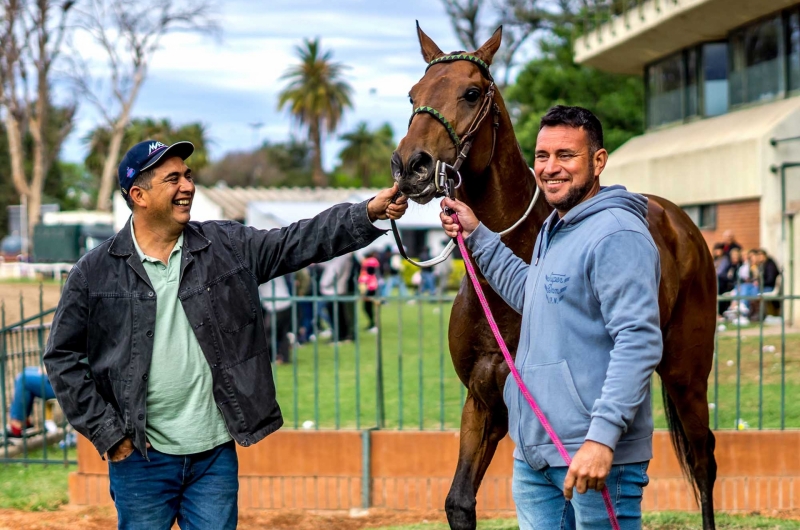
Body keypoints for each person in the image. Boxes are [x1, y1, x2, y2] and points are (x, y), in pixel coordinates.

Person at [42, 139, 407, 530]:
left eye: (188, 175)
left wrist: (367, 213)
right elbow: (62, 357)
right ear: (139, 195)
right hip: (140, 460)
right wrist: (109, 435)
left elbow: (296, 241)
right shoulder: (93, 272)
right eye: (173, 179)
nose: (188, 186)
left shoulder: (227, 246)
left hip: (213, 456)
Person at [440, 106, 661, 529]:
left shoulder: (618, 234)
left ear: (598, 161)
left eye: (566, 155)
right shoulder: (554, 228)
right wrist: (477, 234)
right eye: (542, 156)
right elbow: (534, 295)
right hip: (535, 456)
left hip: (594, 460)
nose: (550, 168)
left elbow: (639, 342)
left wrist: (601, 438)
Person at [6, 367, 55, 438]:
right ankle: (25, 420)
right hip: (57, 374)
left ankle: (17, 424)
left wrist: (49, 369)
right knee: (25, 371)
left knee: (23, 379)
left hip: (61, 381)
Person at [259, 276, 293, 364]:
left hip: (276, 305)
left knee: (267, 332)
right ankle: (284, 358)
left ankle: (270, 357)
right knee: (282, 333)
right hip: (286, 303)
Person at [358, 252, 380, 332]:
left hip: (370, 287)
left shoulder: (370, 261)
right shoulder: (369, 261)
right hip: (370, 286)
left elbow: (370, 272)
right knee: (367, 307)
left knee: (368, 307)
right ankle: (371, 323)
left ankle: (373, 324)